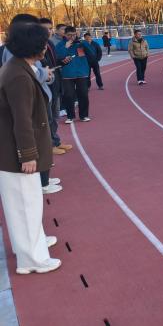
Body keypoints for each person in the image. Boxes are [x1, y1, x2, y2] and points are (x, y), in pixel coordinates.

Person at [0, 21, 62, 274]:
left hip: (11, 151)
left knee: (23, 205)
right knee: (26, 205)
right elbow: (22, 120)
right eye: (43, 43)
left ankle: (28, 246)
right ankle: (32, 259)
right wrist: (27, 155)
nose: (46, 47)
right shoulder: (18, 75)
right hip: (15, 154)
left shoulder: (17, 68)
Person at [39, 18, 73, 164]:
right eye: (45, 28)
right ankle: (50, 145)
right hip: (46, 86)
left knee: (55, 116)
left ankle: (56, 141)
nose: (49, 31)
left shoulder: (50, 43)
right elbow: (41, 65)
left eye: (50, 28)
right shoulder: (37, 45)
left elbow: (53, 62)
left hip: (56, 84)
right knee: (48, 118)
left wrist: (62, 61)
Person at [56, 27, 94, 124]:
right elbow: (58, 57)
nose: (72, 37)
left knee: (83, 95)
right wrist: (66, 47)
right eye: (69, 35)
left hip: (82, 73)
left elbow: (91, 54)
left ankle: (84, 115)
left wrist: (84, 44)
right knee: (68, 95)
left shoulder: (81, 43)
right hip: (67, 74)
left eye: (74, 35)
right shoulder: (61, 44)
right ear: (65, 35)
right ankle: (70, 116)